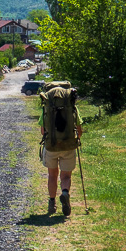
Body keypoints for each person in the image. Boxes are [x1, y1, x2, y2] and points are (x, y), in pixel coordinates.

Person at [38, 82, 83, 216]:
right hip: (68, 145)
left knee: (52, 175)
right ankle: (64, 193)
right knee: (66, 176)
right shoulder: (71, 107)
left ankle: (52, 203)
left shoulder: (47, 107)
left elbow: (42, 131)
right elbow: (79, 130)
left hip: (51, 146)